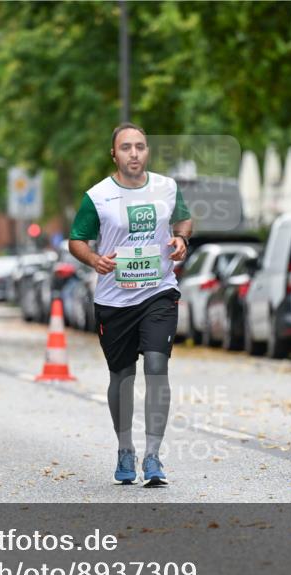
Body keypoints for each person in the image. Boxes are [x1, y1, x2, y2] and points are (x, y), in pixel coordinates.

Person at [68, 123, 192, 487]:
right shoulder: (98, 196)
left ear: (147, 151)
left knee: (157, 365)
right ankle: (126, 448)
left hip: (159, 292)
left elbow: (183, 219)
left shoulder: (166, 187)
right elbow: (77, 239)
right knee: (122, 378)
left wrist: (182, 239)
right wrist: (93, 259)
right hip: (114, 299)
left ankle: (153, 456)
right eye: (126, 147)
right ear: (114, 154)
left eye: (140, 147)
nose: (134, 153)